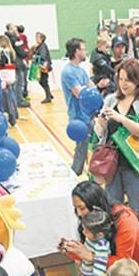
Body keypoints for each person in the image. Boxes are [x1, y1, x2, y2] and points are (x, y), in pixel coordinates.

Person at [93, 58, 139, 233]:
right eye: (120, 79)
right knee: (113, 204)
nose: (123, 84)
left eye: (127, 80)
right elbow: (103, 129)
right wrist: (100, 122)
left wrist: (121, 118)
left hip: (134, 163)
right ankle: (119, 238)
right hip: (111, 162)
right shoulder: (111, 99)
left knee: (136, 204)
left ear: (138, 80)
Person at [64, 180, 139, 276]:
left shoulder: (125, 220)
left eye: (82, 208)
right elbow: (89, 250)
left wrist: (91, 257)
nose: (79, 213)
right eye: (76, 208)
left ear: (95, 205)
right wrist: (72, 251)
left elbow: (122, 264)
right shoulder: (90, 220)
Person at [61, 37, 93, 176]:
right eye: (83, 49)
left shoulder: (81, 71)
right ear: (76, 51)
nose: (86, 52)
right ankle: (74, 177)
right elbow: (80, 93)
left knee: (89, 148)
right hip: (78, 117)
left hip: (88, 115)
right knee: (81, 150)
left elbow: (92, 88)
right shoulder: (68, 72)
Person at [0, 35, 18, 127]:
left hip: (5, 74)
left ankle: (12, 116)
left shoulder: (4, 51)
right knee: (11, 95)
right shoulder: (11, 51)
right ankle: (15, 113)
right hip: (11, 73)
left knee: (6, 96)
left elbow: (3, 62)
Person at [32, 32, 53, 103]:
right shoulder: (39, 46)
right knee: (43, 81)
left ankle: (48, 97)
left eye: (38, 37)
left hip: (43, 66)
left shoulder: (42, 46)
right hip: (41, 66)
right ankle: (49, 94)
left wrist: (35, 57)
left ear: (42, 38)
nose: (36, 39)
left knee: (43, 81)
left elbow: (42, 56)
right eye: (36, 37)